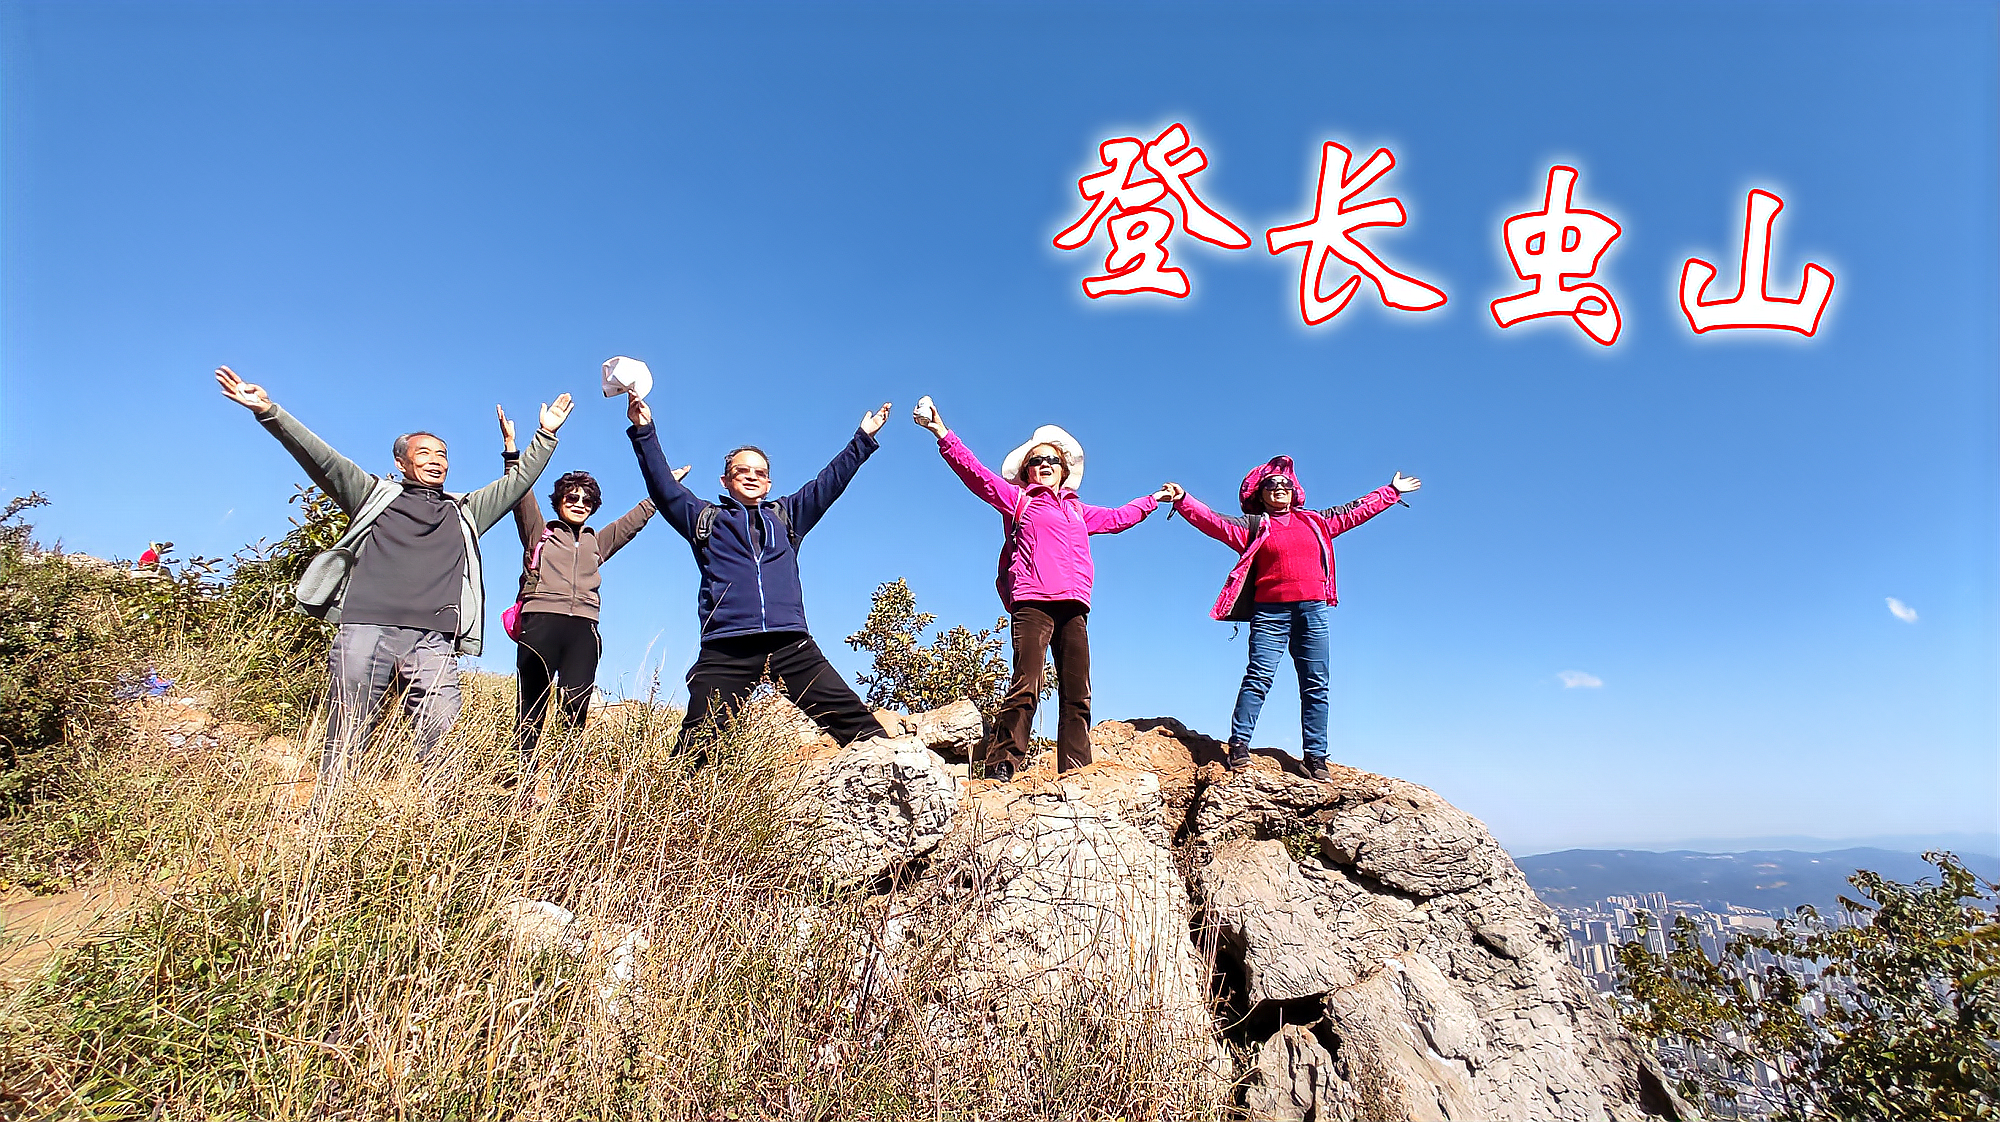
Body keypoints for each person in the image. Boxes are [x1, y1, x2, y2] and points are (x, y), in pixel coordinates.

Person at [214, 366, 572, 802]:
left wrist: (545, 435)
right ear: (401, 462)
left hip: (434, 639)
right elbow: (322, 459)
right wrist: (269, 411)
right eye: (424, 453)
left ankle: (425, 812)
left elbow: (517, 484)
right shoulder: (372, 495)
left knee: (441, 720)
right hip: (367, 626)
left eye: (442, 453)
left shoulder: (465, 512)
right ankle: (330, 808)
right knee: (349, 722)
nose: (436, 459)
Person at [913, 397, 1171, 781]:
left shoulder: (1080, 511)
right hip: (1032, 602)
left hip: (1074, 607)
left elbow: (1119, 518)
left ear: (1063, 470)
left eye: (1052, 460)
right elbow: (977, 476)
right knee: (1026, 685)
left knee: (1077, 694)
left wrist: (1154, 500)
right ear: (1028, 471)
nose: (1045, 465)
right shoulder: (1018, 501)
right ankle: (1002, 764)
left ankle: (1076, 770)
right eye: (1037, 461)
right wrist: (942, 433)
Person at [625, 393, 894, 755]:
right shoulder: (706, 520)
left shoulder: (788, 516)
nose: (752, 477)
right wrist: (644, 430)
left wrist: (862, 439)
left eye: (760, 473)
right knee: (695, 750)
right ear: (725, 481)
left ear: (768, 484)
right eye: (742, 471)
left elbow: (828, 484)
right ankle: (668, 809)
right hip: (727, 648)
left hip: (790, 644)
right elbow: (664, 487)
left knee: (863, 732)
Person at [1167, 456, 1420, 781]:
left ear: (1294, 490)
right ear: (1260, 493)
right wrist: (1184, 501)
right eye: (1271, 485)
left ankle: (1315, 757)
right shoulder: (1254, 526)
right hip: (1269, 614)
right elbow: (1213, 521)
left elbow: (1355, 511)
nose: (1279, 489)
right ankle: (1240, 746)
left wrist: (1391, 491)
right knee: (1258, 679)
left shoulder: (1317, 521)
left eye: (1285, 484)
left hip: (1312, 611)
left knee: (1316, 685)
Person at [498, 405, 680, 801]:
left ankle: (564, 788)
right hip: (540, 621)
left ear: (594, 506)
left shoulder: (598, 540)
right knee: (531, 704)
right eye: (570, 496)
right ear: (559, 501)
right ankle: (522, 782)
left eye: (586, 499)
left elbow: (634, 522)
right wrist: (512, 450)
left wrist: (664, 490)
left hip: (583, 627)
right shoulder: (539, 531)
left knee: (576, 702)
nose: (578, 502)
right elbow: (518, 494)